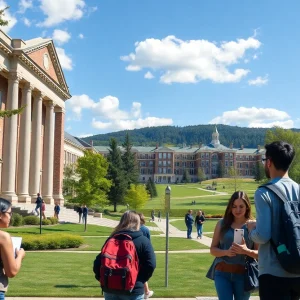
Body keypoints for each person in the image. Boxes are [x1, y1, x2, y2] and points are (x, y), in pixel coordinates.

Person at [248, 141, 300, 299]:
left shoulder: (264, 192)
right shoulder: (298, 189)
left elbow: (263, 235)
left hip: (273, 270)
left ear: (269, 162)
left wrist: (251, 230)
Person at [207, 191, 258, 300]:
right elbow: (212, 249)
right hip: (222, 272)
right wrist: (226, 252)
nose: (237, 210)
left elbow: (260, 254)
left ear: (247, 207)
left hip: (243, 275)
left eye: (241, 206)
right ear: (230, 207)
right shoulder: (222, 224)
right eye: (234, 206)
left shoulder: (253, 225)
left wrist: (246, 251)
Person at [93, 210, 156, 300]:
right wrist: (140, 280)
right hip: (133, 289)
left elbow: (97, 263)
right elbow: (151, 265)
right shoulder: (143, 241)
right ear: (137, 223)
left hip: (110, 288)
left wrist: (102, 278)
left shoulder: (111, 239)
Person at [0, 198, 26, 299]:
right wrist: (20, 256)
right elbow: (11, 272)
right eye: (9, 213)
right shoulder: (3, 237)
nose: (11, 217)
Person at [138, 213, 154, 299]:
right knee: (142, 272)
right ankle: (146, 291)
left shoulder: (134, 229)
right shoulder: (145, 229)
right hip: (143, 253)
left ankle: (146, 291)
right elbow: (148, 242)